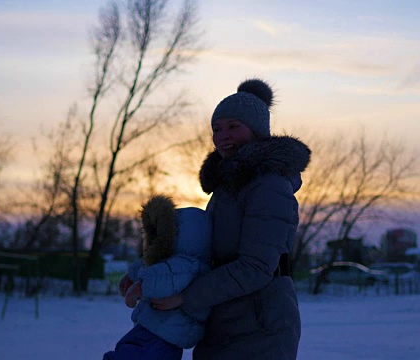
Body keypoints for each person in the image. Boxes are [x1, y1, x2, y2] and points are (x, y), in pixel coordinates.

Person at [151, 78, 311, 359]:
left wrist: (187, 297)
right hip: (223, 319)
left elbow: (257, 267)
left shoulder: (269, 186)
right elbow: (204, 253)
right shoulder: (228, 188)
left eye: (233, 127)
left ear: (257, 130)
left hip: (261, 325)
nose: (223, 136)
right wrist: (147, 278)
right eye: (217, 129)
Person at [103, 195, 212, 360]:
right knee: (127, 350)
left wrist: (138, 288)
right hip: (158, 330)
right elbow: (151, 267)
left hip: (163, 334)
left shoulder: (187, 266)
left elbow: (160, 278)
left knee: (130, 354)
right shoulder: (178, 265)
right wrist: (131, 276)